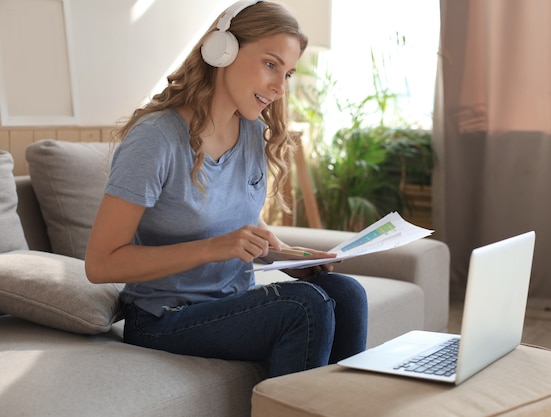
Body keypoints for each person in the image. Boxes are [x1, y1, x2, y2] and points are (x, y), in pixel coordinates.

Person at [85, 0, 368, 378]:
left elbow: (236, 235)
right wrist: (212, 249)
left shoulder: (251, 132)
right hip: (163, 317)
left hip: (229, 303)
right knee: (303, 307)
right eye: (270, 64)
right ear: (223, 51)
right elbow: (100, 263)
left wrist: (287, 257)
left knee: (346, 293)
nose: (279, 87)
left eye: (287, 74)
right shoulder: (157, 139)